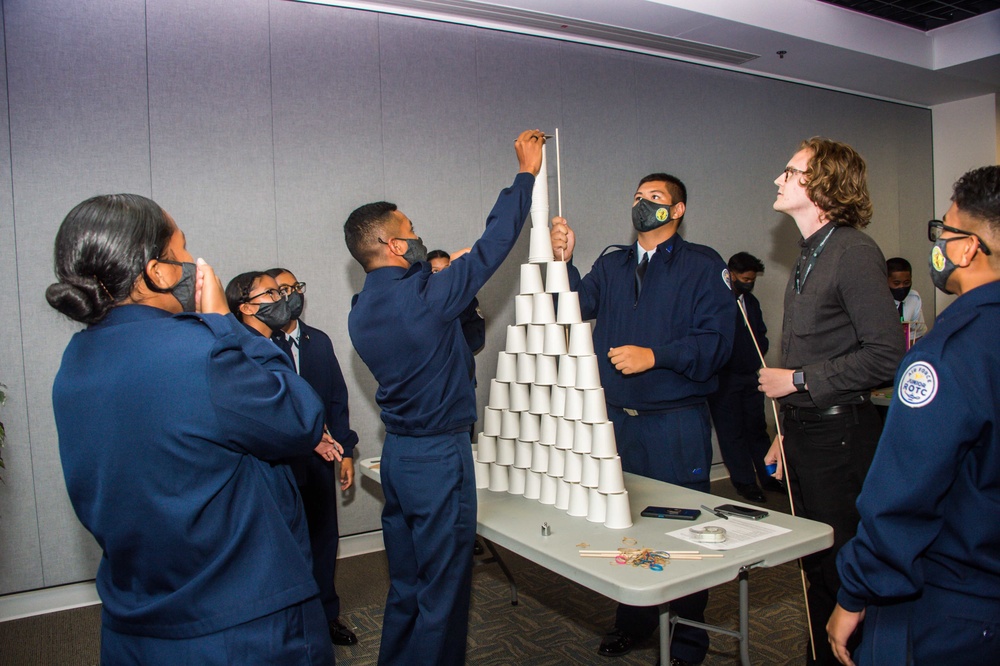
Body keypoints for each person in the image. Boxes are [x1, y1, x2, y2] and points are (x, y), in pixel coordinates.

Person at [46, 194, 337, 665]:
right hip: (242, 624)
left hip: (139, 618)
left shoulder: (74, 363)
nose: (192, 265)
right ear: (156, 272)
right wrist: (227, 324)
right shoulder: (201, 352)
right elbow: (302, 418)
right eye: (183, 251)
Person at [344, 129, 544, 665]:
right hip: (439, 458)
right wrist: (525, 174)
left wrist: (444, 282)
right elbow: (494, 242)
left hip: (399, 458)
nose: (416, 235)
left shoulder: (361, 310)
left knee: (407, 584)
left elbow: (438, 324)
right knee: (444, 591)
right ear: (391, 244)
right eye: (409, 230)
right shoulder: (429, 295)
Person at [551, 172, 736, 665]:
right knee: (625, 525)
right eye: (637, 196)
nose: (642, 203)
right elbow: (573, 307)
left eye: (654, 198)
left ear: (677, 211)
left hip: (673, 421)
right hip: (618, 421)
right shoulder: (612, 264)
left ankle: (688, 641)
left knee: (683, 530)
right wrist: (562, 263)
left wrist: (656, 356)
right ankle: (631, 621)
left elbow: (717, 342)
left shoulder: (702, 265)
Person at [827, 166, 1000, 666]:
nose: (939, 243)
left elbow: (904, 493)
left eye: (943, 231)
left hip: (950, 600)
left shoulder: (948, 354)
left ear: (967, 248)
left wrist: (854, 591)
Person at [758, 138, 905, 665]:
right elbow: (826, 348)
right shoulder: (810, 250)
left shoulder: (854, 251)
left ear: (822, 185)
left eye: (790, 171)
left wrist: (796, 381)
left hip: (841, 437)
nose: (779, 180)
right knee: (816, 566)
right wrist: (786, 428)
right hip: (808, 430)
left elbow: (887, 355)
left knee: (841, 568)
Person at [265, 267, 360, 647]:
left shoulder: (318, 341)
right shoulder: (257, 344)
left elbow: (336, 399)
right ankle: (288, 623)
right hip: (279, 464)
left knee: (323, 539)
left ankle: (326, 615)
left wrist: (347, 451)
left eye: (294, 288)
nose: (290, 295)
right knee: (284, 543)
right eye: (281, 290)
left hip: (321, 462)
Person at [707, 251, 782, 503]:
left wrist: (759, 353)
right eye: (744, 278)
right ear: (730, 275)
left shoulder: (751, 301)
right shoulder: (719, 301)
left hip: (751, 376)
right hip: (724, 379)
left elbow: (760, 333)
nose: (748, 283)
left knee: (757, 429)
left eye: (752, 280)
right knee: (732, 433)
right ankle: (745, 483)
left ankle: (770, 476)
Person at [427, 249, 486, 355]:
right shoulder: (421, 299)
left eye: (446, 269)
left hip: (458, 361)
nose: (442, 275)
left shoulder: (466, 297)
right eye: (435, 271)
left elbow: (477, 337)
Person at [885, 256, 927, 346]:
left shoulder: (914, 298)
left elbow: (918, 333)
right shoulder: (876, 301)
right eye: (896, 283)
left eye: (906, 283)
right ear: (885, 280)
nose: (902, 287)